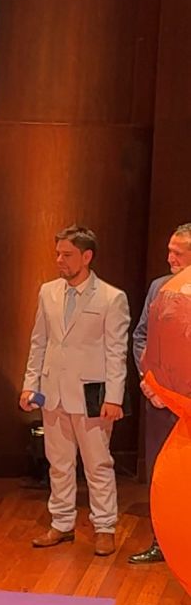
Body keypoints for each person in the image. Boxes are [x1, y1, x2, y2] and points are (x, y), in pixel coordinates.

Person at [20, 225, 130, 556]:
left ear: (87, 256)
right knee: (59, 462)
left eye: (67, 255)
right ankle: (62, 522)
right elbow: (39, 341)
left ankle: (104, 526)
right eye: (57, 254)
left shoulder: (111, 297)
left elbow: (116, 351)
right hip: (53, 390)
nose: (59, 260)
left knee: (98, 464)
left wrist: (114, 398)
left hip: (91, 394)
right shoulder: (48, 292)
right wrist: (30, 385)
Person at [129, 223, 191, 564]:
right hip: (161, 402)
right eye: (169, 251)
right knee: (161, 474)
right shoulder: (158, 287)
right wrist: (149, 380)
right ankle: (162, 542)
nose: (169, 258)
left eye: (177, 253)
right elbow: (141, 336)